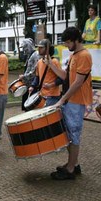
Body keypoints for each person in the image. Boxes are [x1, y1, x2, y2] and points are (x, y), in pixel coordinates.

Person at [46, 27, 93, 180]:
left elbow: (78, 83)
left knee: (73, 135)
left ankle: (71, 169)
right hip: (70, 100)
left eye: (67, 42)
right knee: (68, 134)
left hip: (76, 101)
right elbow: (67, 77)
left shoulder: (84, 55)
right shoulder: (75, 55)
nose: (66, 45)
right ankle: (73, 164)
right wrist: (52, 66)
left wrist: (61, 99)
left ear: (75, 40)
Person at [28, 39, 62, 107]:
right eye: (38, 47)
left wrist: (51, 85)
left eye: (41, 47)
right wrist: (32, 86)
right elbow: (37, 77)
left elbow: (61, 78)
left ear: (47, 49)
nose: (39, 49)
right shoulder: (39, 62)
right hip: (42, 95)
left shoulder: (54, 62)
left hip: (53, 96)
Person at [19, 38, 40, 111]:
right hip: (27, 85)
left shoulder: (35, 55)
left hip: (33, 86)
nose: (24, 50)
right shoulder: (29, 55)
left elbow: (35, 70)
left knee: (31, 107)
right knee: (26, 106)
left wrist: (24, 76)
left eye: (25, 47)